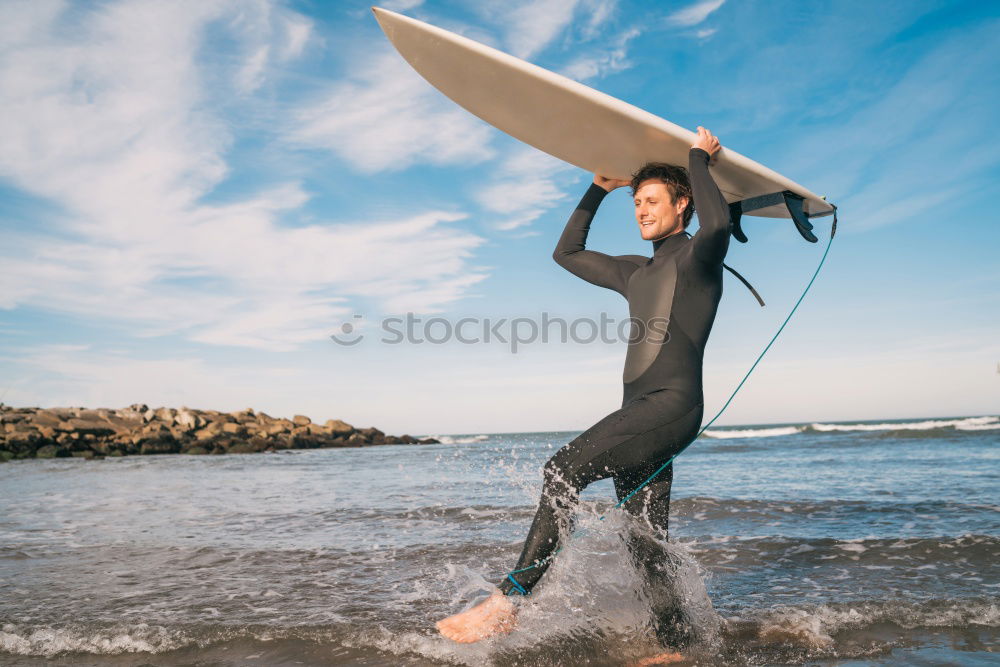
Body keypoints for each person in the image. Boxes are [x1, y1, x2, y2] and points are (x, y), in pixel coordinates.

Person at [436, 127, 729, 662]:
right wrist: (597, 189)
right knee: (645, 543)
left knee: (562, 470)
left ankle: (509, 600)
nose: (641, 211)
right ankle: (677, 648)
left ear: (681, 203)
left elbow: (720, 222)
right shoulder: (633, 271)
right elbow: (566, 252)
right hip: (643, 411)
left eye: (652, 201)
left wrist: (697, 160)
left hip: (671, 405)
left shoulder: (699, 261)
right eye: (636, 202)